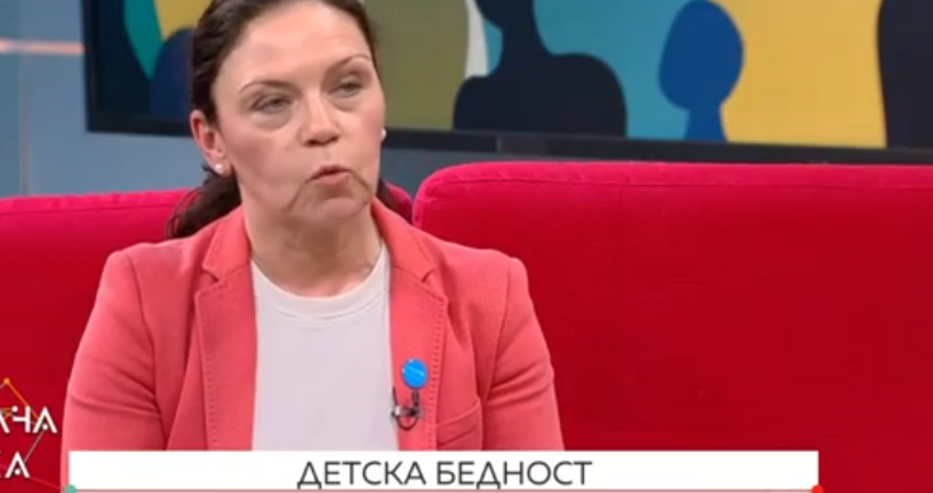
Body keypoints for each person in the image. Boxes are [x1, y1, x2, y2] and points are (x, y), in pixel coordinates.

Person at [60, 0, 562, 482]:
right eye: (273, 103)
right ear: (212, 140)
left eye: (347, 86)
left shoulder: (490, 298)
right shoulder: (145, 303)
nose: (323, 127)